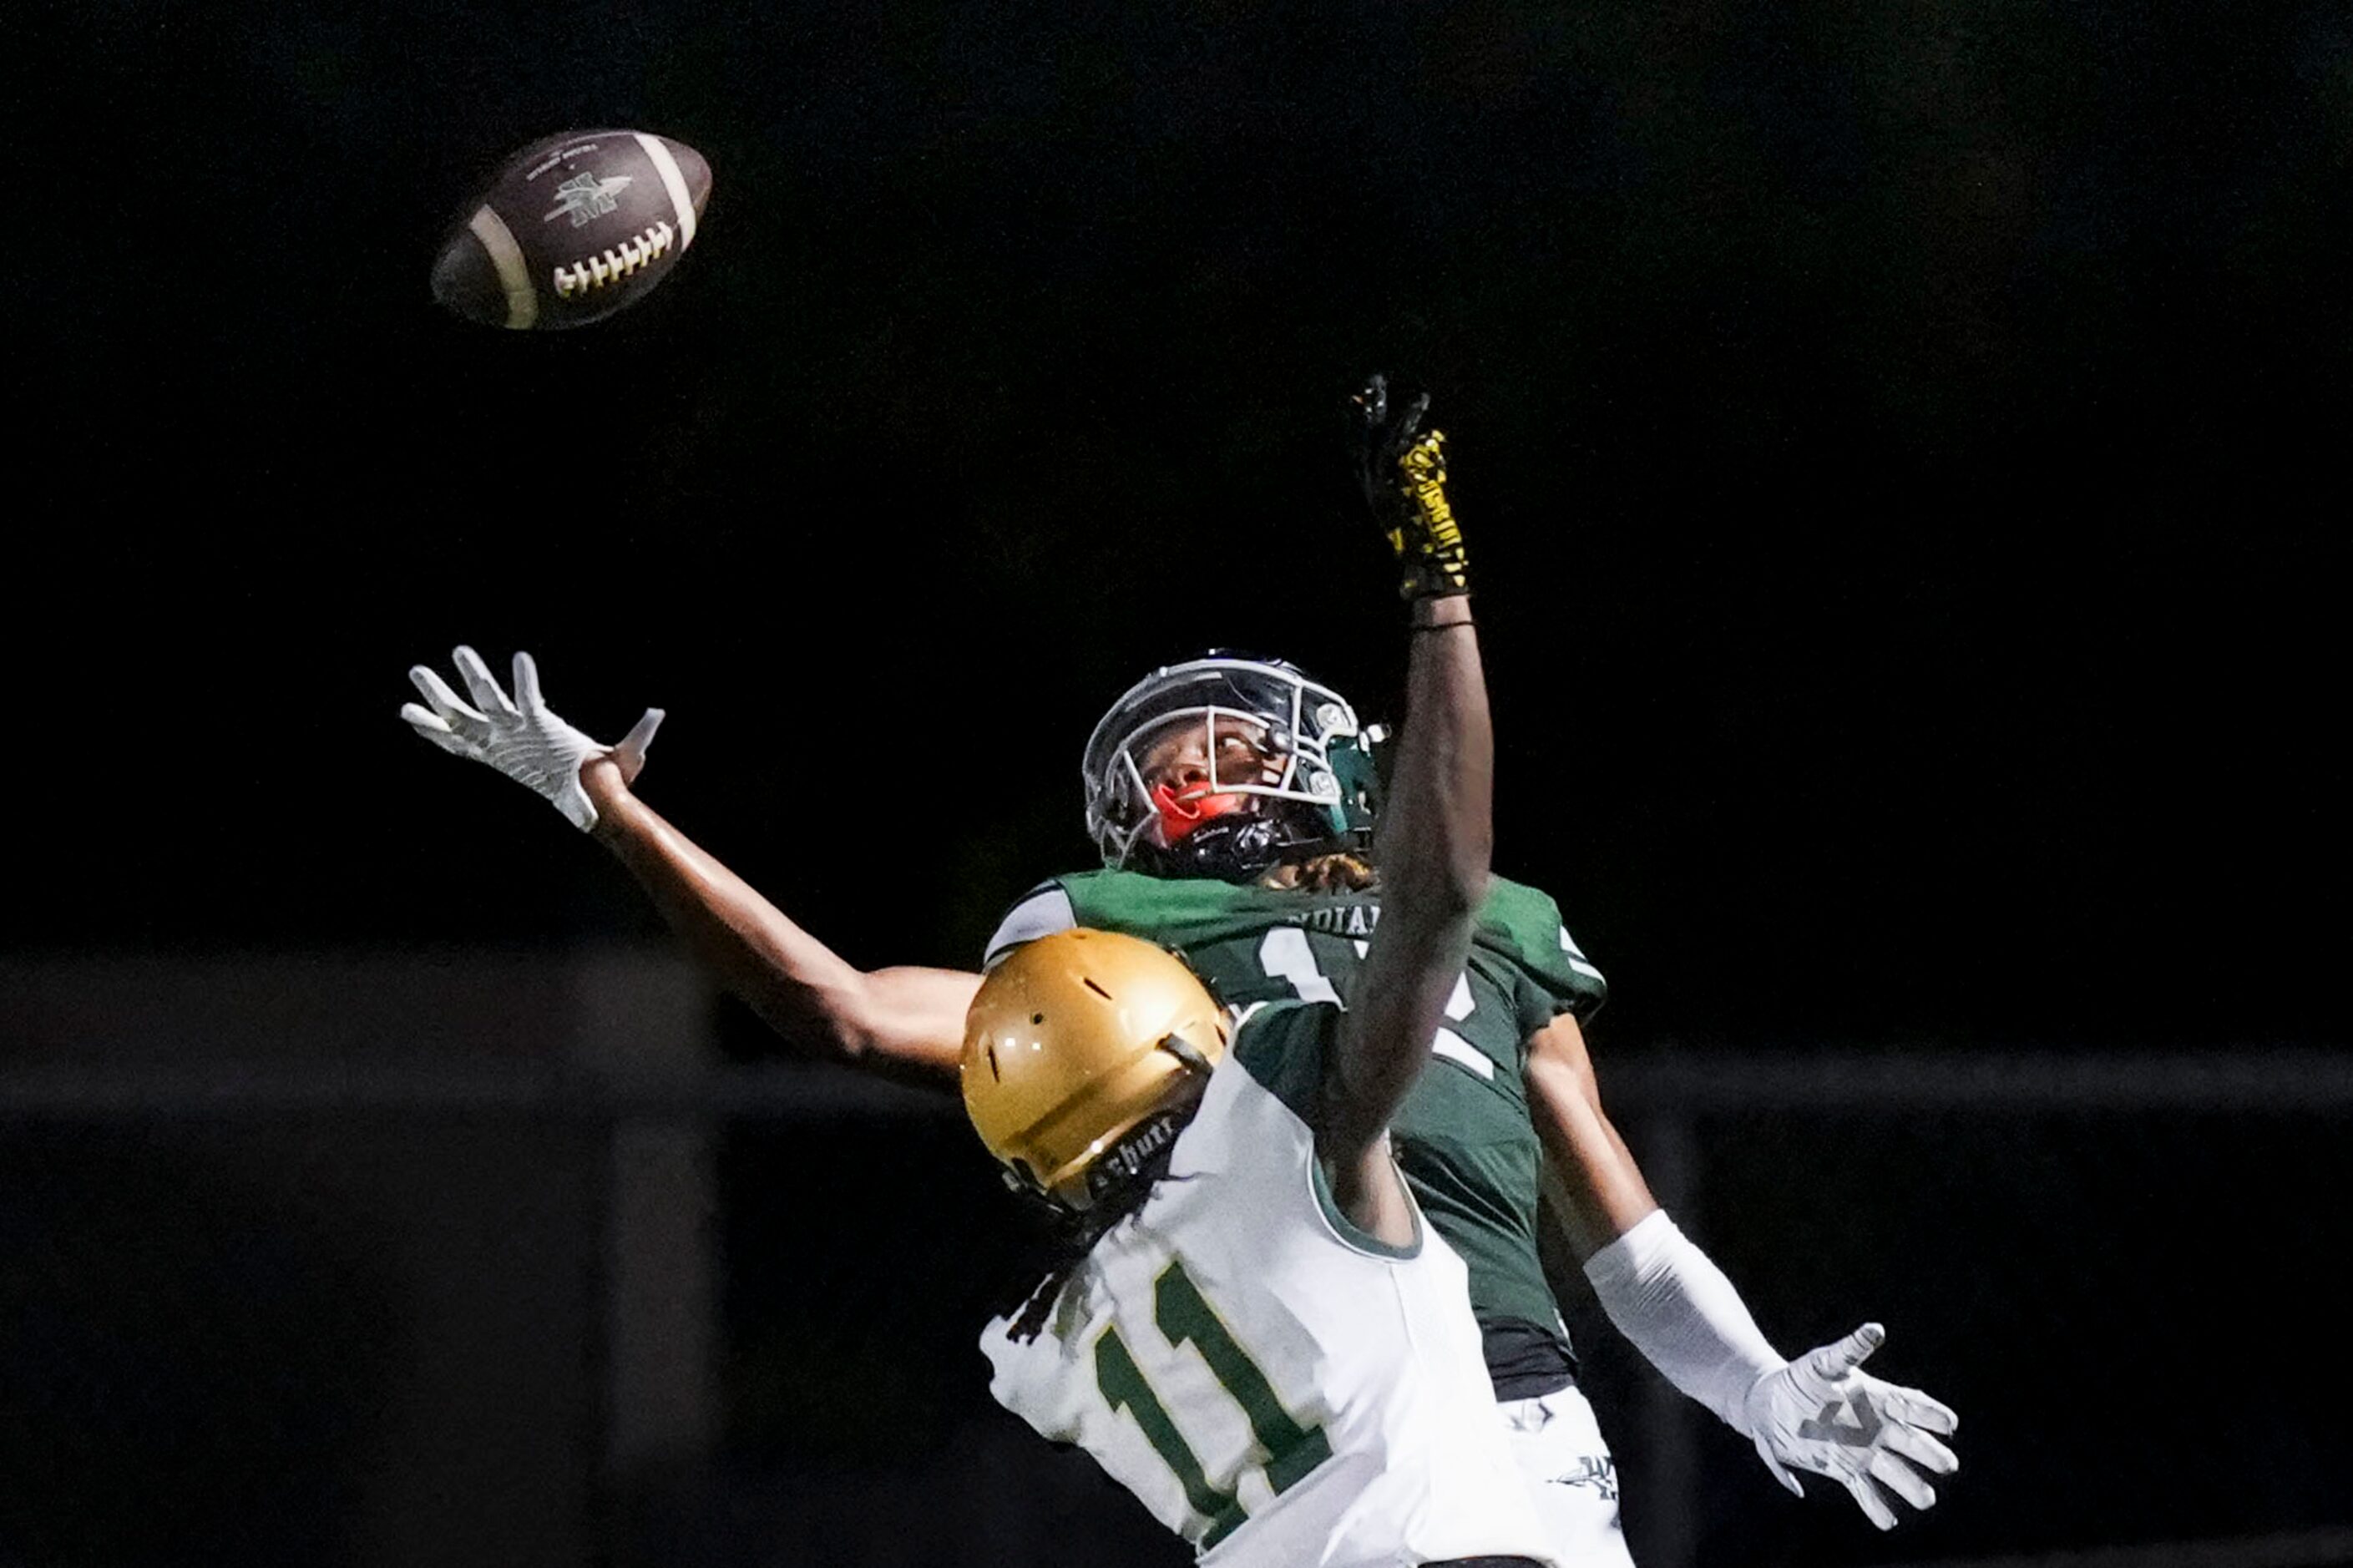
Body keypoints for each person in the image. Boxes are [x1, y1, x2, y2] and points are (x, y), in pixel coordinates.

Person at [402, 377, 1957, 1560]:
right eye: (1164, 755)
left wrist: (1756, 1384)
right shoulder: (1106, 932)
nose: (1194, 768)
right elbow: (848, 1009)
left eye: (1224, 737)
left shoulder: (1489, 920)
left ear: (1340, 767)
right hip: (1328, 1330)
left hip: (1490, 1391)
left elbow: (1624, 1237)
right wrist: (616, 811)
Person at [954, 493, 1551, 1560]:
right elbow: (1438, 898)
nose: (1185, 773)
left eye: (1215, 746)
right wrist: (1441, 601)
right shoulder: (1280, 1119)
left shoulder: (1038, 1342)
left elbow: (847, 1014)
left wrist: (615, 817)